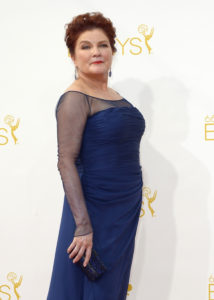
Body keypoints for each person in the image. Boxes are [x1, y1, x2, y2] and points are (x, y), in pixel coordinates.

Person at [46, 11, 146, 300]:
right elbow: (65, 160)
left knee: (112, 286)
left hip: (123, 207)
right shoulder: (76, 97)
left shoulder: (114, 95)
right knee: (88, 285)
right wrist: (83, 225)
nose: (96, 52)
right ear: (73, 56)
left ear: (113, 51)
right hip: (92, 208)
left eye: (103, 45)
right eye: (85, 46)